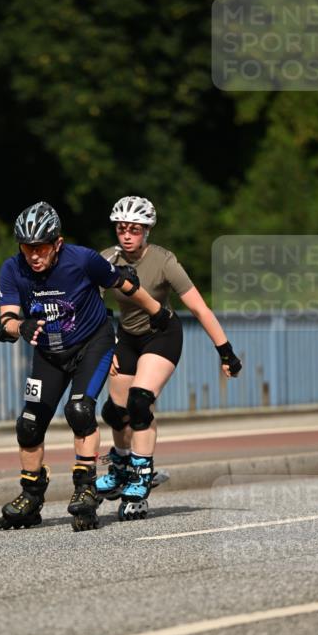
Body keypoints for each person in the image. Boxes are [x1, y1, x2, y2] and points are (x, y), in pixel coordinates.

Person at [0, 201, 171, 532]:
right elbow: (4, 323)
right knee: (29, 424)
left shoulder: (83, 259)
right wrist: (22, 327)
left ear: (57, 243)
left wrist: (157, 312)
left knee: (80, 410)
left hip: (93, 344)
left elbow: (124, 283)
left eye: (41, 247)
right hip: (49, 353)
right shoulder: (12, 269)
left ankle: (85, 488)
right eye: (27, 247)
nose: (34, 255)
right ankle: (31, 496)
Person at [97, 196, 242, 520]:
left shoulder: (164, 261)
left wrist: (226, 351)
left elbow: (198, 307)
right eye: (122, 228)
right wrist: (106, 344)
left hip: (162, 334)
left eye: (135, 229)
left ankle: (141, 474)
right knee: (114, 412)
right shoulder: (106, 260)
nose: (127, 235)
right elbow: (89, 304)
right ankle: (121, 465)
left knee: (139, 402)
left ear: (147, 231)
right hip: (126, 337)